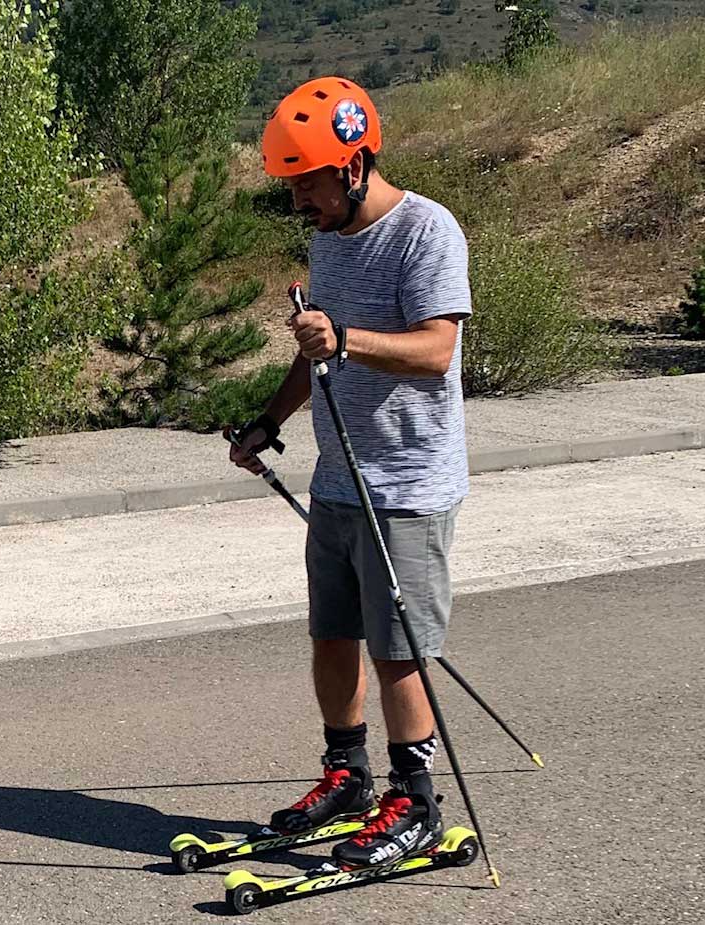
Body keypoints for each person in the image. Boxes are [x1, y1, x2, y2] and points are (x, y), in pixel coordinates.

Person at [226, 76, 472, 869]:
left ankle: (417, 802)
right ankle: (348, 776)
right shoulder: (329, 240)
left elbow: (437, 349)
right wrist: (267, 422)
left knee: (395, 648)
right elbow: (316, 352)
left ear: (357, 162)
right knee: (332, 635)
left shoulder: (426, 231)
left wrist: (347, 336)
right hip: (337, 479)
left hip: (407, 483)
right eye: (293, 188)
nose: (301, 204)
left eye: (309, 185)